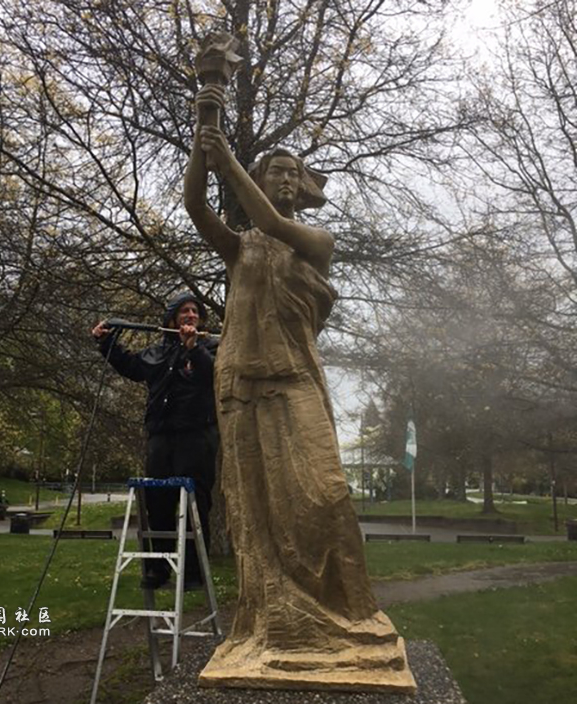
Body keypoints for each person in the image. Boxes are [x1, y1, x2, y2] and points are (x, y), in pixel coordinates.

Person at [184, 85, 413, 690]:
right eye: (275, 171)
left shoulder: (315, 242)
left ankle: (349, 618)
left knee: (325, 494)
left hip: (294, 380)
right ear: (263, 178)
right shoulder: (240, 249)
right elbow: (196, 207)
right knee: (255, 507)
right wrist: (205, 124)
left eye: (292, 172)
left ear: (304, 185)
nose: (284, 178)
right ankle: (275, 624)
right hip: (242, 382)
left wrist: (226, 156)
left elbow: (269, 220)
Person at [92, 292, 218, 590]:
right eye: (184, 311)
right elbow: (131, 366)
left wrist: (193, 348)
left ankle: (193, 573)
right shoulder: (157, 352)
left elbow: (214, 376)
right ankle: (158, 569)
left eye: (195, 311)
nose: (191, 315)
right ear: (172, 319)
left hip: (196, 437)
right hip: (160, 436)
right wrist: (105, 342)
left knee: (195, 505)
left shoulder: (211, 346)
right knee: (158, 503)